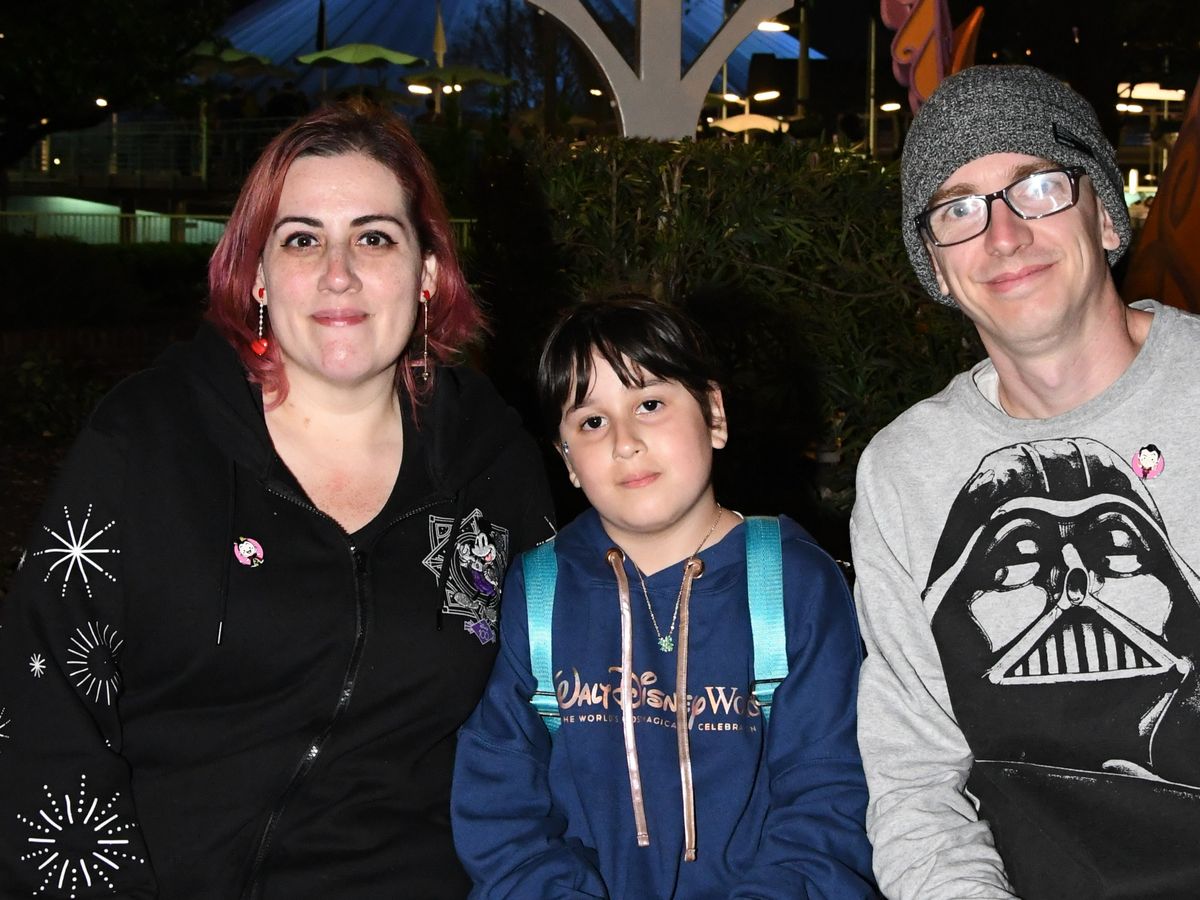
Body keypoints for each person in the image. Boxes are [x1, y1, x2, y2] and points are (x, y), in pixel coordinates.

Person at [0, 100, 555, 897]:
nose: (339, 272)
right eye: (302, 239)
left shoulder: (493, 466)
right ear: (257, 275)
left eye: (374, 237)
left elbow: (546, 716)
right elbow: (41, 703)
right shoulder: (148, 440)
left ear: (428, 273)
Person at [851, 64, 1200, 900]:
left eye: (1038, 187)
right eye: (958, 210)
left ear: (1105, 216)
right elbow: (917, 786)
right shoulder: (903, 472)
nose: (1003, 237)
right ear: (937, 268)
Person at [452, 297, 878, 898]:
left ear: (714, 414)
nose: (624, 442)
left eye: (649, 405)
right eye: (591, 422)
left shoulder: (792, 583)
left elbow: (829, 798)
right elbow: (499, 808)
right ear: (566, 459)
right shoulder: (537, 592)